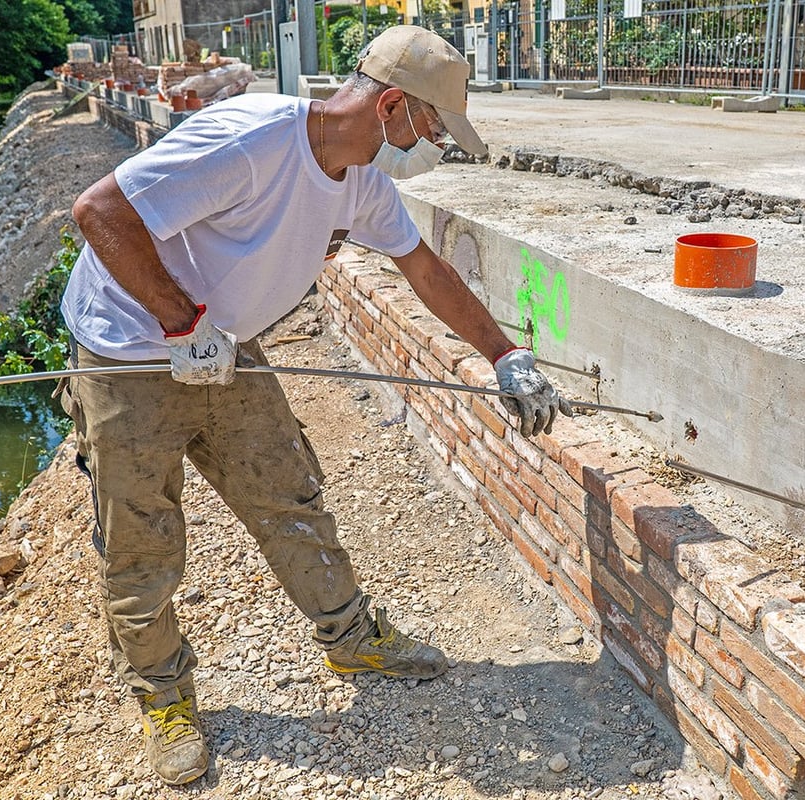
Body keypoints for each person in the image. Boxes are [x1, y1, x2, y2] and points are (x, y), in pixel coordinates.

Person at [59, 25, 570, 786]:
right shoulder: (249, 141)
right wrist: (180, 323)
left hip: (219, 347)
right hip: (129, 354)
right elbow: (99, 213)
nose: (435, 145)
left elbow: (423, 270)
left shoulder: (361, 177)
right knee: (142, 537)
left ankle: (351, 637)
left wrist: (505, 354)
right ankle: (162, 697)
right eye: (432, 127)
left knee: (288, 496)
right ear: (392, 104)